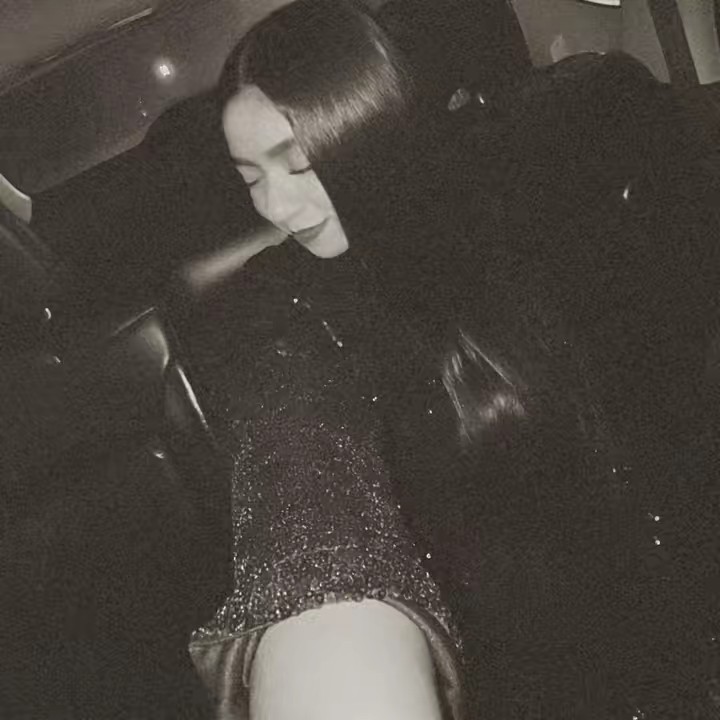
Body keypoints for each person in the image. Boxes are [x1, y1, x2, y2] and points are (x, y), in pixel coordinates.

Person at [183, 0, 718, 716]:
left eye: (300, 164)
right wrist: (326, 630)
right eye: (251, 177)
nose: (278, 206)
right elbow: (302, 472)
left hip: (677, 626)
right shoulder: (279, 307)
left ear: (367, 136)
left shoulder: (512, 206)